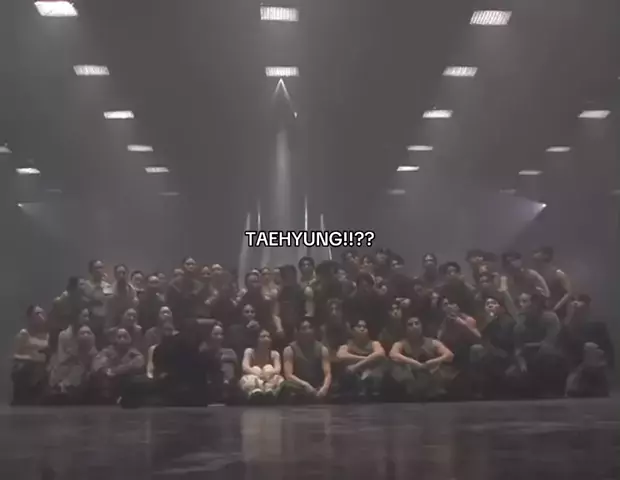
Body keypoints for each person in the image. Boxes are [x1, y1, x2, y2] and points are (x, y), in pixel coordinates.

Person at [508, 292, 567, 397]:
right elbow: (517, 349)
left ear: (536, 303)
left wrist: (527, 347)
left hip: (549, 356)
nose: (521, 305)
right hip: (528, 358)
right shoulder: (519, 325)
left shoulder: (550, 318)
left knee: (548, 360)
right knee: (512, 376)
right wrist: (521, 363)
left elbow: (550, 344)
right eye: (519, 302)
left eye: (525, 301)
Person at [559, 295, 613, 397]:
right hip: (576, 371)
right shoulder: (567, 331)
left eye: (583, 310)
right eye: (577, 311)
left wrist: (600, 359)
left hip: (596, 368)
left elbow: (608, 353)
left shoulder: (599, 328)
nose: (580, 313)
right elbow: (563, 350)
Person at [389, 317, 454, 400]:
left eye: (417, 323)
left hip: (430, 377)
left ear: (421, 326)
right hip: (410, 381)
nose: (414, 326)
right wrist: (413, 362)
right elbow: (393, 354)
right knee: (396, 368)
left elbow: (449, 355)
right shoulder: (401, 343)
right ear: (406, 329)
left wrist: (433, 361)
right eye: (410, 324)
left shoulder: (433, 342)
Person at [469, 296, 516, 398]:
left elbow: (504, 340)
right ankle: (478, 388)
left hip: (507, 353)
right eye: (487, 304)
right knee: (475, 350)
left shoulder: (507, 320)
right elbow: (484, 339)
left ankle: (483, 389)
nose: (490, 306)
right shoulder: (491, 320)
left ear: (502, 307)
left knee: (482, 355)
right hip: (494, 351)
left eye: (494, 303)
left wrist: (492, 349)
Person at [282, 319, 332, 402]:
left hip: (317, 385)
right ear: (298, 332)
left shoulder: (322, 349)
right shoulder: (289, 350)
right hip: (299, 385)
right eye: (304, 328)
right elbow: (288, 375)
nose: (308, 331)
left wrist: (325, 388)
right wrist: (305, 384)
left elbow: (327, 373)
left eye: (310, 328)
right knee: (287, 385)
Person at [336, 319, 386, 400]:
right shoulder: (348, 345)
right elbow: (340, 355)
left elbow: (380, 354)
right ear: (352, 331)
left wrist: (356, 366)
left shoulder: (374, 343)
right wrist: (368, 359)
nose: (362, 329)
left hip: (371, 377)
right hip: (354, 379)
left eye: (364, 327)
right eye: (359, 326)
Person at [92, 328, 145, 403]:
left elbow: (139, 364)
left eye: (125, 336)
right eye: (119, 337)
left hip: (129, 394)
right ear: (114, 339)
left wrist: (116, 371)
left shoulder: (135, 353)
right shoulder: (106, 351)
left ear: (130, 338)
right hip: (108, 393)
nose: (122, 339)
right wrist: (106, 371)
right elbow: (98, 366)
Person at [48, 325, 98, 404]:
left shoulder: (97, 356)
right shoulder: (69, 359)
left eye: (88, 333)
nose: (85, 335)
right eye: (82, 333)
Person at [11, 306, 49, 405]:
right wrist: (31, 358)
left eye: (42, 313)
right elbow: (15, 356)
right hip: (27, 370)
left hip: (44, 370)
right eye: (37, 314)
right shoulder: (24, 335)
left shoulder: (48, 336)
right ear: (30, 317)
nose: (41, 316)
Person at [240, 329, 284, 402]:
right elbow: (245, 367)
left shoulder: (275, 354)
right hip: (254, 378)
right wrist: (259, 374)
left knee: (269, 367)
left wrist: (267, 374)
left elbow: (277, 369)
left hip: (268, 379)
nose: (266, 339)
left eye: (268, 337)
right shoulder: (249, 351)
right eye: (263, 336)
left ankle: (269, 392)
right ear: (257, 339)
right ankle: (255, 393)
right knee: (256, 368)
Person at [531, 246, 572, 319]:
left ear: (546, 255)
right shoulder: (537, 275)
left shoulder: (558, 274)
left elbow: (568, 293)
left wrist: (555, 308)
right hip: (540, 314)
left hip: (557, 315)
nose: (534, 255)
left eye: (537, 252)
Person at [203, 322, 239, 403]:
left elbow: (237, 371)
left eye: (221, 334)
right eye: (216, 334)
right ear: (209, 336)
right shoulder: (204, 353)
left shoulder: (230, 352)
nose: (219, 337)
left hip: (229, 389)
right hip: (210, 387)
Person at [82, 259, 113, 345]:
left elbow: (110, 301)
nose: (99, 270)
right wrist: (92, 302)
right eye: (96, 268)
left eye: (101, 267)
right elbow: (82, 303)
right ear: (91, 270)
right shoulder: (85, 285)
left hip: (105, 322)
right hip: (91, 321)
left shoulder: (107, 285)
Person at [106, 264, 139, 331]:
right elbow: (109, 314)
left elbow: (134, 310)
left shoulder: (132, 291)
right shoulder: (109, 291)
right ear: (115, 275)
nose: (121, 275)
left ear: (127, 274)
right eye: (119, 273)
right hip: (114, 324)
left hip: (129, 323)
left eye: (123, 273)